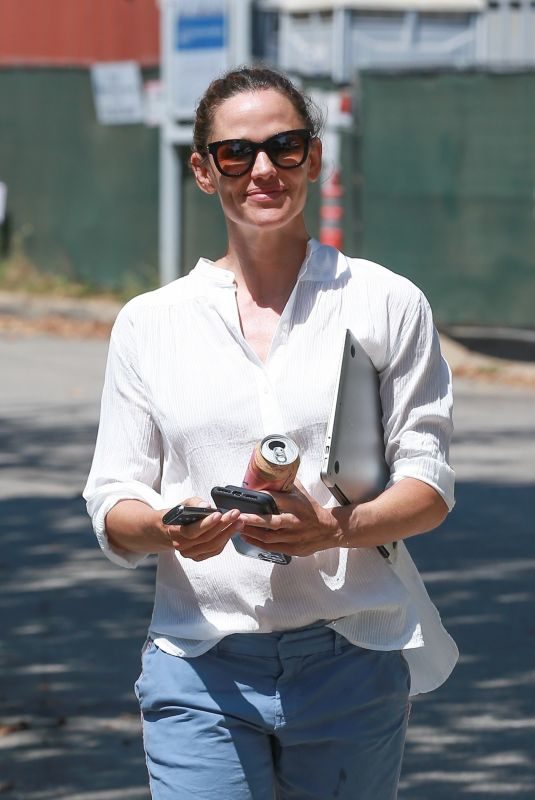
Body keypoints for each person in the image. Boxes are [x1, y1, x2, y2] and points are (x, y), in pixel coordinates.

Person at [84, 66, 457, 800]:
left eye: (284, 147)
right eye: (235, 153)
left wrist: (332, 529)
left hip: (351, 654)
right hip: (199, 660)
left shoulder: (384, 302)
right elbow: (112, 501)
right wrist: (167, 527)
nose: (262, 169)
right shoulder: (151, 322)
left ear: (312, 160)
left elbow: (428, 481)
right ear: (202, 170)